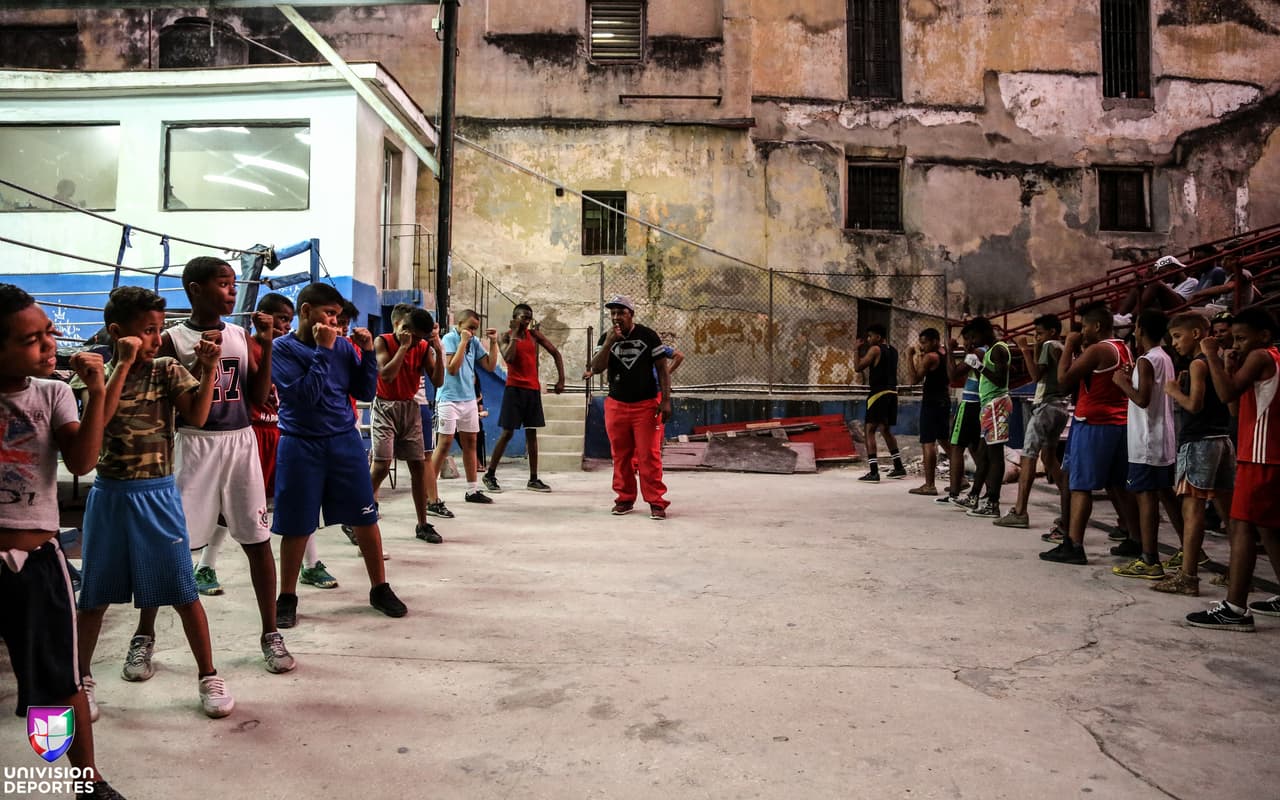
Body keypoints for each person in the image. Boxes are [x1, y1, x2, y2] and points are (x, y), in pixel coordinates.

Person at [125, 258, 295, 683]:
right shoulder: (171, 339)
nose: (232, 291)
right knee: (170, 546)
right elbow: (167, 398)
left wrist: (266, 343)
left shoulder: (239, 335)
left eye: (234, 284)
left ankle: (271, 632)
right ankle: (144, 634)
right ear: (195, 289)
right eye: (223, 283)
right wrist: (202, 365)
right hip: (192, 445)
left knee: (257, 539)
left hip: (240, 441)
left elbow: (259, 396)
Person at [73, 286, 235, 719]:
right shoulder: (93, 374)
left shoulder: (166, 370)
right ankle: (81, 680)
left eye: (159, 330)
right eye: (147, 330)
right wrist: (123, 365)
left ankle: (208, 674)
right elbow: (102, 419)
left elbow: (197, 416)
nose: (155, 339)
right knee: (94, 597)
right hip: (111, 495)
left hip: (158, 494)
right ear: (116, 333)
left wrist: (209, 370)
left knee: (183, 591)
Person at [0, 284, 127, 799]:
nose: (49, 344)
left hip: (36, 561)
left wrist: (96, 393)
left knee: (59, 682)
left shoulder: (52, 392)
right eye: (31, 339)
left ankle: (86, 781)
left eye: (49, 332)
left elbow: (82, 460)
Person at [271, 282, 407, 628]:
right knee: (297, 524)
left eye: (337, 315)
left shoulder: (343, 346)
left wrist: (366, 356)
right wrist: (324, 350)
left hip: (343, 441)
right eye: (328, 313)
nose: (334, 321)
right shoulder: (282, 349)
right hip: (301, 443)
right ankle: (287, 596)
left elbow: (364, 391)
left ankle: (380, 587)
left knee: (366, 517)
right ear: (306, 311)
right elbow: (306, 396)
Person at [1187, 308, 1280, 631]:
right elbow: (1234, 407)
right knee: (1268, 529)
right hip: (1265, 452)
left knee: (1241, 526)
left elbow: (1225, 392)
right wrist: (1227, 367)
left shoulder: (1261, 356)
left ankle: (1235, 608)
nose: (1236, 344)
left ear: (1264, 335)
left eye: (1241, 338)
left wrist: (1211, 356)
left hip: (1260, 454)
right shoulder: (1271, 358)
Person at [1040, 302, 1139, 565]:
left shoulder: (1098, 349)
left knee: (1080, 485)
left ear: (1096, 326)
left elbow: (1063, 382)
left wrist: (1069, 346)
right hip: (1118, 422)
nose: (1082, 331)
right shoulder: (1122, 347)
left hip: (1094, 422)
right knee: (1117, 484)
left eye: (1084, 326)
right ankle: (1135, 538)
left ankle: (1074, 544)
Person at [1153, 312, 1233, 596]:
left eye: (1178, 336)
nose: (1174, 343)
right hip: (1222, 439)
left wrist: (1174, 391)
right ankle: (1237, 572)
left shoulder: (1198, 363)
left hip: (1199, 442)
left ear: (1196, 334)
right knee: (1228, 511)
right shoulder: (1218, 359)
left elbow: (1194, 405)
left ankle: (1188, 576)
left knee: (1192, 509)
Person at [587, 295, 671, 519]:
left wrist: (666, 400)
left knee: (648, 456)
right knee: (621, 456)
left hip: (646, 405)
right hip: (616, 405)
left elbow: (662, 369)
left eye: (621, 313)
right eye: (613, 313)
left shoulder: (648, 336)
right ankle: (624, 498)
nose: (616, 317)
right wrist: (608, 343)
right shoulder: (606, 338)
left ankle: (656, 501)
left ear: (631, 315)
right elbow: (596, 368)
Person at [1109, 310, 1178, 580]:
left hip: (1147, 440)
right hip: (1162, 437)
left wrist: (1122, 383)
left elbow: (1142, 399)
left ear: (1140, 329)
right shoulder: (1164, 357)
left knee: (1146, 496)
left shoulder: (1146, 360)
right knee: (1165, 494)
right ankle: (1190, 550)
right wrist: (1132, 380)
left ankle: (1150, 558)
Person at [370, 304, 445, 543]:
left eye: (420, 339)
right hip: (385, 406)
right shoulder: (383, 341)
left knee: (418, 467)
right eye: (414, 338)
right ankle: (358, 516)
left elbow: (438, 381)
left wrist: (438, 351)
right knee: (381, 466)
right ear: (402, 327)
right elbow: (387, 375)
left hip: (410, 408)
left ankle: (423, 523)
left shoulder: (422, 347)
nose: (415, 343)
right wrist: (403, 347)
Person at [484, 303, 566, 493]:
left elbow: (555, 353)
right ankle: (490, 474)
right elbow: (509, 358)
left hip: (532, 390)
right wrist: (514, 334)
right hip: (514, 390)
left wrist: (561, 379)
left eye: (529, 318)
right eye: (523, 317)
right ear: (514, 318)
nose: (527, 321)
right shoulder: (505, 337)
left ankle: (533, 479)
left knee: (532, 433)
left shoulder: (534, 335)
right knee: (507, 433)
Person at [996, 314, 1068, 528]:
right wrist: (1035, 347)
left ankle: (1020, 511)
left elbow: (1036, 375)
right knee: (1049, 457)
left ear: (1052, 332)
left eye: (1039, 333)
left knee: (1028, 456)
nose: (1037, 337)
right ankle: (1068, 506)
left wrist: (1025, 349)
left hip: (1045, 406)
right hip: (1060, 406)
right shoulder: (1060, 347)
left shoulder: (1049, 345)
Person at [429, 309, 499, 509]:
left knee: (470, 444)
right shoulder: (449, 339)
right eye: (470, 327)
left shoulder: (473, 342)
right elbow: (452, 368)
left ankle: (472, 490)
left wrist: (494, 343)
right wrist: (462, 342)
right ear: (459, 325)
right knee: (444, 444)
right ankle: (428, 493)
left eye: (475, 329)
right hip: (448, 398)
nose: (473, 332)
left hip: (468, 399)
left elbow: (490, 366)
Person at [958, 317, 1010, 518]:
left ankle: (993, 503)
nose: (972, 341)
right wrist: (977, 365)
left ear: (983, 333)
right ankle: (974, 495)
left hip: (997, 404)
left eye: (974, 337)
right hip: (988, 405)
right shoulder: (990, 351)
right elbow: (987, 379)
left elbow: (1000, 380)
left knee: (995, 455)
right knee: (983, 453)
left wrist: (979, 366)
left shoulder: (998, 349)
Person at [935, 331, 983, 507]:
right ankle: (988, 492)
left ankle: (954, 492)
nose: (966, 343)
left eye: (969, 339)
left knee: (956, 447)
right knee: (975, 448)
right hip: (980, 403)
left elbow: (953, 374)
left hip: (971, 403)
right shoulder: (985, 351)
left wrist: (949, 351)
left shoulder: (977, 353)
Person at [855, 323, 906, 482]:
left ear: (878, 337)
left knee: (869, 430)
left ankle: (873, 471)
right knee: (885, 429)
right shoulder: (894, 351)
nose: (868, 339)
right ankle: (898, 467)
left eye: (870, 336)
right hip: (892, 392)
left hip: (878, 393)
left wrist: (856, 349)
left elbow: (858, 367)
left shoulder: (875, 349)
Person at [906, 327, 949, 496]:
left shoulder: (931, 357)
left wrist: (909, 357)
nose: (922, 346)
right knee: (944, 439)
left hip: (932, 401)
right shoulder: (944, 353)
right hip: (944, 399)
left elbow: (913, 379)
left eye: (924, 343)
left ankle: (929, 485)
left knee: (928, 441)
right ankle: (960, 478)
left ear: (934, 341)